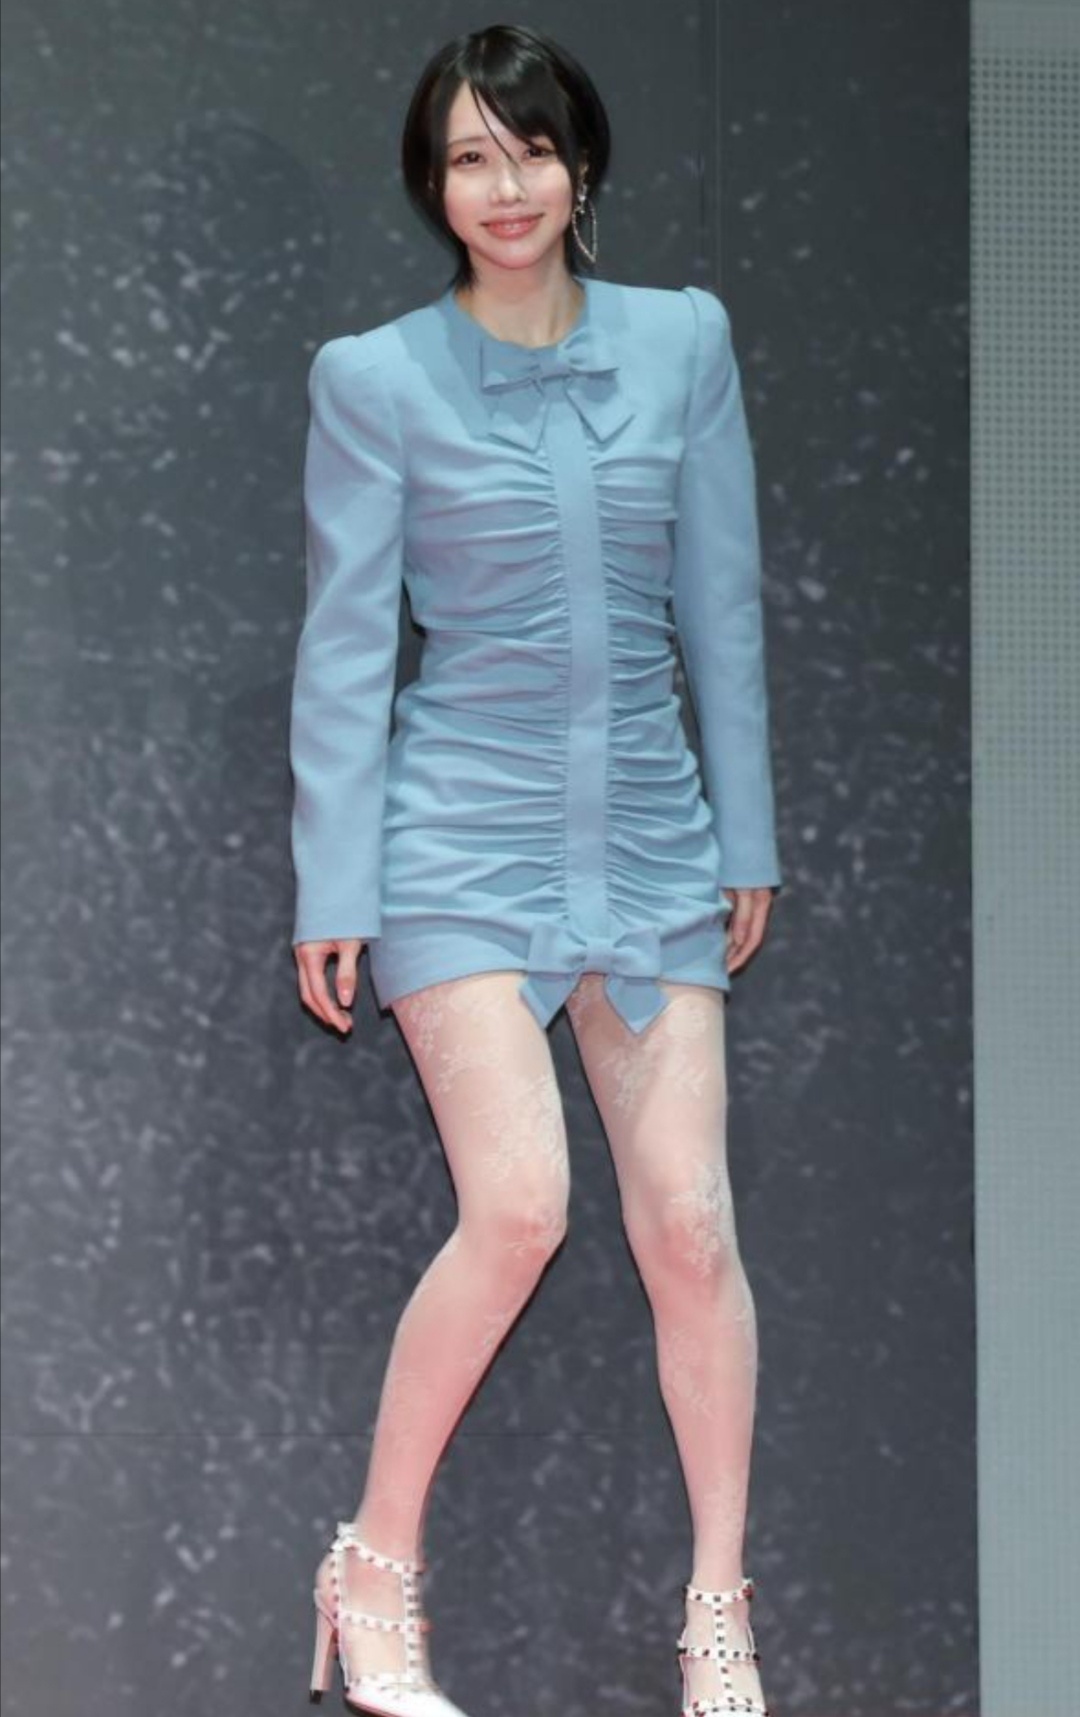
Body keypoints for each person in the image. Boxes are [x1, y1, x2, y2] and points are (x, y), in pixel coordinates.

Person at [292, 24, 781, 1717]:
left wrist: (746, 833)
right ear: (433, 186)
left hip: (649, 831)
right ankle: (373, 1567)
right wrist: (333, 884)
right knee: (518, 1206)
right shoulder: (375, 377)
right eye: (468, 159)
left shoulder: (683, 342)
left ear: (584, 165)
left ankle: (719, 1608)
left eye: (531, 151)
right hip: (458, 836)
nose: (504, 189)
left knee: (691, 1227)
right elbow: (346, 647)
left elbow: (721, 602)